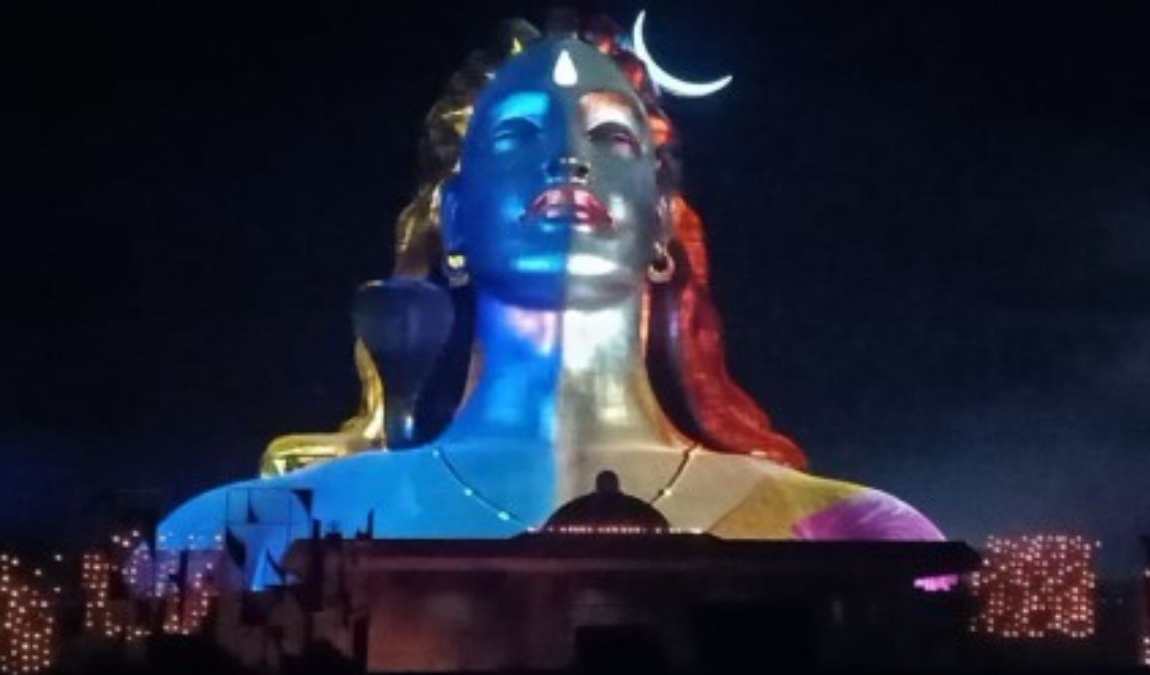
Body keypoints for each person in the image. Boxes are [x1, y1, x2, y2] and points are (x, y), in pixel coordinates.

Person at [158, 15, 942, 586]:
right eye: (517, 135)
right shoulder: (238, 537)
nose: (567, 158)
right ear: (454, 219)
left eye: (611, 138)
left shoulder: (860, 537)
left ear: (662, 224)